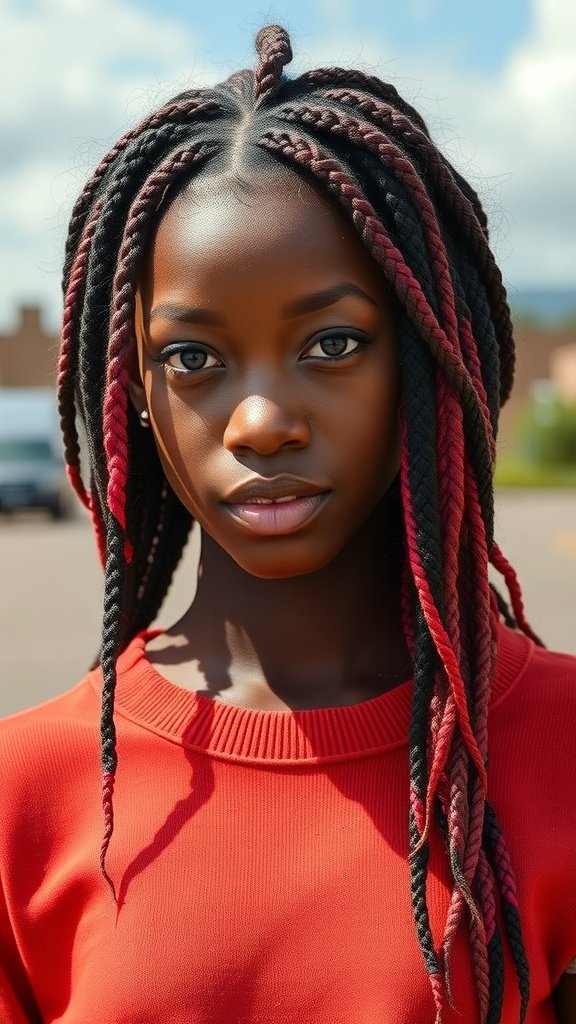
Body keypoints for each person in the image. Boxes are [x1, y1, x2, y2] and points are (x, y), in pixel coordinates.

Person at [0, 23, 574, 1024]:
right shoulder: (25, 795)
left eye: (333, 343)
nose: (261, 421)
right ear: (133, 388)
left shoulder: (559, 750)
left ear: (427, 357)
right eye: (193, 358)